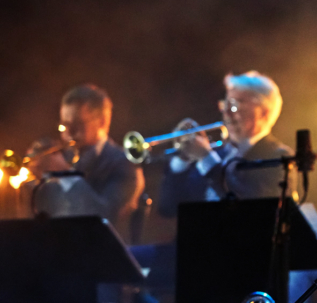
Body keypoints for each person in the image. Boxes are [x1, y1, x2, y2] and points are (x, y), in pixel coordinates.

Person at [157, 71, 293, 217]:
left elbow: (252, 207)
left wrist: (206, 158)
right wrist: (181, 161)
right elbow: (168, 208)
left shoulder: (279, 157)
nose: (226, 113)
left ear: (263, 113)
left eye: (234, 106)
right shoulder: (218, 154)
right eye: (225, 105)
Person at [31, 84, 144, 231]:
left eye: (77, 124)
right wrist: (33, 184)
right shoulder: (65, 157)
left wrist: (66, 174)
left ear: (102, 122)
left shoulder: (124, 163)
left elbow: (104, 218)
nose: (69, 133)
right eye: (65, 125)